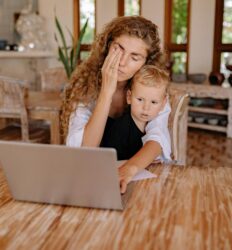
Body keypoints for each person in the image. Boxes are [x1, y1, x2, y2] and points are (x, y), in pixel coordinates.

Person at [61, 16, 172, 194]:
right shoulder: (84, 88)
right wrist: (106, 91)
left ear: (146, 63)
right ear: (107, 46)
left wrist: (130, 169)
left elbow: (157, 139)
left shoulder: (151, 91)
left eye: (134, 57)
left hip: (136, 175)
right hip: (93, 178)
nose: (121, 62)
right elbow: (84, 150)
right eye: (118, 49)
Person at [101, 65, 170, 161]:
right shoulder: (120, 130)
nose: (146, 108)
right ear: (129, 97)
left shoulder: (155, 125)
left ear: (163, 103)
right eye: (140, 99)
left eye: (153, 102)